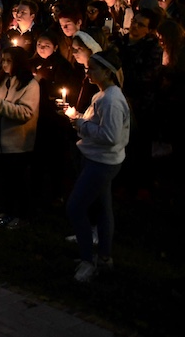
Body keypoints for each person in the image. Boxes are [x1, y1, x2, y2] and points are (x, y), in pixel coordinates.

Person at [65, 50, 130, 283]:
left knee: (75, 207)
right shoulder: (103, 95)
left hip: (101, 162)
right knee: (103, 209)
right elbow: (98, 126)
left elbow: (110, 136)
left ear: (107, 72)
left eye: (92, 68)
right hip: (99, 158)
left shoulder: (111, 100)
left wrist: (80, 123)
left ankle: (87, 260)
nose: (87, 71)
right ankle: (103, 258)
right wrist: (79, 118)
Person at [0, 47, 40, 230]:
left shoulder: (30, 85)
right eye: (3, 60)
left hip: (17, 143)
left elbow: (25, 112)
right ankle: (6, 212)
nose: (4, 64)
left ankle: (22, 215)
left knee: (18, 181)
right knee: (4, 181)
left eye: (9, 60)